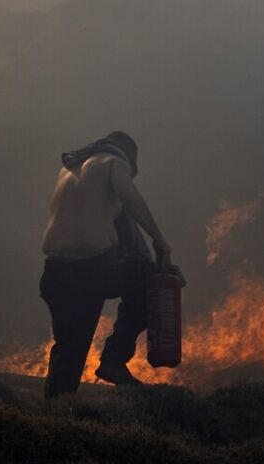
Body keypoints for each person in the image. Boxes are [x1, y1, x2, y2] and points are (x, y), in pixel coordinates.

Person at [37, 131, 184, 400]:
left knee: (70, 349)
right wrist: (159, 239)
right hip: (93, 268)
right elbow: (129, 197)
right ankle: (114, 359)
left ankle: (55, 412)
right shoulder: (112, 164)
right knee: (148, 283)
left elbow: (115, 222)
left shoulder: (70, 171)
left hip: (55, 273)